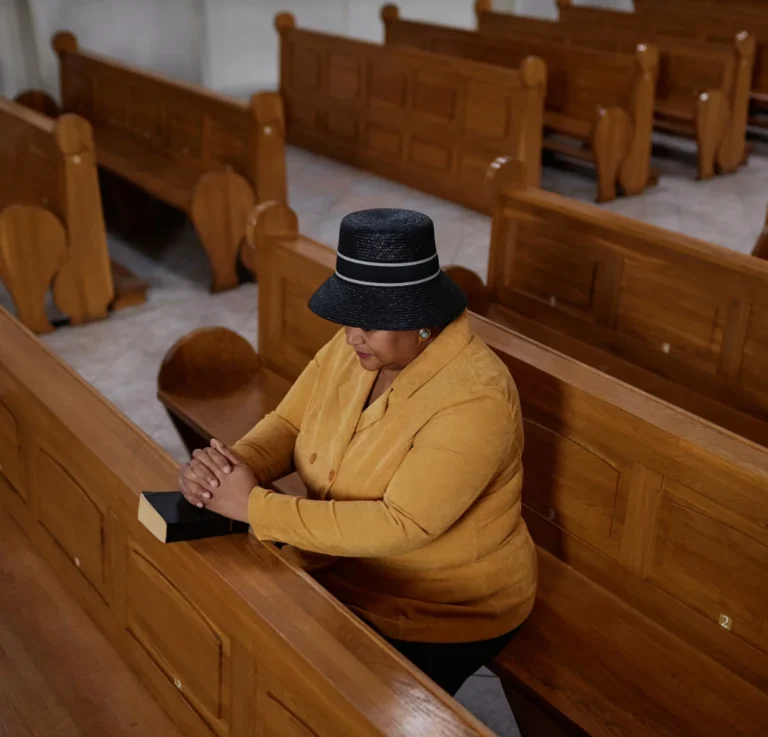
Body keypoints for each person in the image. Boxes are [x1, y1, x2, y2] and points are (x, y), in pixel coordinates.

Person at [178, 208, 537, 696]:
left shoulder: (476, 395)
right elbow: (289, 422)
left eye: (370, 322)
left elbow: (402, 524)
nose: (351, 336)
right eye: (349, 317)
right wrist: (227, 470)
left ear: (422, 318)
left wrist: (253, 506)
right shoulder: (357, 350)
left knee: (323, 705)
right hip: (338, 567)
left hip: (440, 606)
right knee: (228, 637)